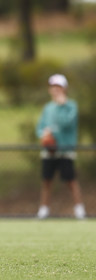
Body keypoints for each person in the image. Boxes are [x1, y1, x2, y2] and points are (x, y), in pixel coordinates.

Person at [35, 74, 86, 220]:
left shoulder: (71, 106)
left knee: (71, 180)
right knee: (46, 180)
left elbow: (66, 123)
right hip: (50, 151)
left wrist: (62, 105)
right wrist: (43, 134)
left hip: (65, 150)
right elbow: (40, 127)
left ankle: (79, 209)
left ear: (65, 89)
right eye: (53, 87)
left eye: (58, 87)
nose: (55, 90)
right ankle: (43, 210)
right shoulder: (48, 108)